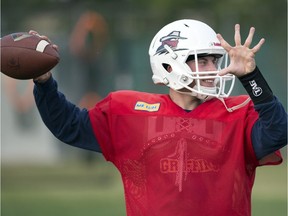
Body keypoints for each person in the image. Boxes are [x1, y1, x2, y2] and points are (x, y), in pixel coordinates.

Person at [32, 19, 287, 216]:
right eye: (203, 61)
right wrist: (44, 82)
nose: (214, 70)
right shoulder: (129, 112)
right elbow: (68, 125)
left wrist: (251, 77)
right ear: (168, 65)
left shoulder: (237, 111)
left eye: (214, 61)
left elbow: (279, 132)